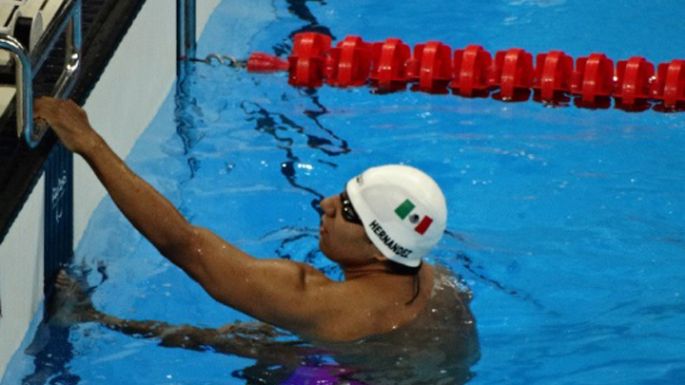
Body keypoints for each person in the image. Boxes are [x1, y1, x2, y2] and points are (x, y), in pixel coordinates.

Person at [36, 97, 479, 384]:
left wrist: (90, 142)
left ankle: (92, 317)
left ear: (381, 248)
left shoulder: (313, 300)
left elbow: (182, 244)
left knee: (257, 357)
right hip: (385, 368)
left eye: (346, 211)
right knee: (254, 336)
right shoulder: (439, 282)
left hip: (350, 371)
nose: (323, 204)